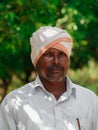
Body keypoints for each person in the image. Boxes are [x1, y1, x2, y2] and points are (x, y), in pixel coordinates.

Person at [0, 26, 98, 130]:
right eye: (48, 54)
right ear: (36, 61)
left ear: (68, 60)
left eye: (62, 54)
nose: (56, 61)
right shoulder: (13, 103)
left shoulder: (89, 100)